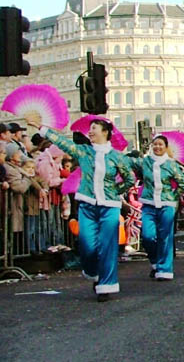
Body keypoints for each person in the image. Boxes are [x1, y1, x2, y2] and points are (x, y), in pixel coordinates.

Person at [31, 118, 134, 302]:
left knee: (108, 246)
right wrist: (41, 127)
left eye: (94, 128)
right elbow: (62, 142)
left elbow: (129, 179)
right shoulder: (84, 151)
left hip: (109, 207)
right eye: (90, 129)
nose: (90, 131)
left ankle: (106, 285)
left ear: (105, 132)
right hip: (87, 206)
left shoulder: (117, 156)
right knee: (87, 245)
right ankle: (93, 272)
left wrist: (114, 191)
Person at [124, 135, 184, 280]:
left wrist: (173, 197)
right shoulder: (145, 162)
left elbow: (183, 183)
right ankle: (155, 262)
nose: (157, 147)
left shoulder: (171, 164)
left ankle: (164, 269)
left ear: (165, 147)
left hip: (167, 205)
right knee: (148, 236)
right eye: (155, 144)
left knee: (165, 237)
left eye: (160, 144)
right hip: (149, 204)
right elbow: (127, 160)